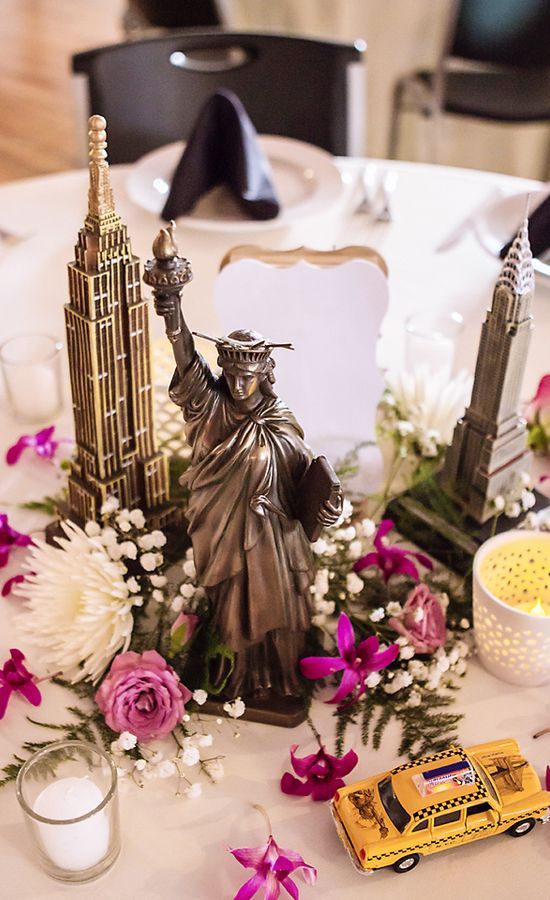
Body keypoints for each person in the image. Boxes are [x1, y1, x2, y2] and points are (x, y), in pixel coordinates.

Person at [151, 229, 342, 701]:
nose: (237, 385)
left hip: (274, 539)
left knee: (280, 609)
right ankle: (235, 675)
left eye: (248, 376)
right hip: (226, 534)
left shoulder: (279, 419)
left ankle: (280, 673)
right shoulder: (209, 405)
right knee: (233, 607)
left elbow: (305, 480)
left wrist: (330, 510)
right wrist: (171, 299)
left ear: (264, 375)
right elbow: (183, 350)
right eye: (231, 374)